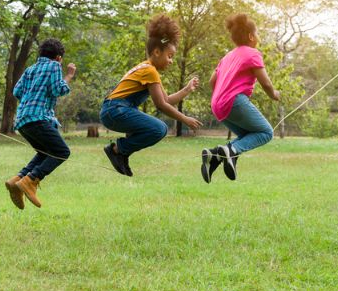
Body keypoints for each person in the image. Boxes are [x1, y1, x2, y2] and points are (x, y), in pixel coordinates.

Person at [100, 14, 202, 176]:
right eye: (169, 56)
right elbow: (161, 105)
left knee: (155, 128)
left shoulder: (146, 68)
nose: (171, 61)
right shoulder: (149, 70)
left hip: (113, 110)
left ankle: (121, 153)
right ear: (156, 52)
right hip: (115, 110)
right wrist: (184, 119)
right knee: (159, 129)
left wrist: (187, 89)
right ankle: (117, 150)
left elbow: (167, 100)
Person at [201, 14, 280, 183]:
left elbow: (211, 82)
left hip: (217, 105)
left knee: (248, 136)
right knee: (266, 132)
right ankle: (232, 151)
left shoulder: (227, 57)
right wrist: (274, 94)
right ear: (251, 36)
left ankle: (214, 156)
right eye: (257, 33)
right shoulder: (253, 53)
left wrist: (223, 93)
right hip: (234, 101)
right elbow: (265, 82)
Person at [4, 38, 76, 209]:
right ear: (58, 57)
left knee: (45, 152)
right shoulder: (54, 66)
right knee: (62, 151)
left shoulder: (30, 69)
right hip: (38, 118)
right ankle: (30, 181)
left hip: (22, 120)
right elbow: (58, 89)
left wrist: (32, 99)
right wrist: (69, 76)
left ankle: (17, 180)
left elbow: (17, 91)